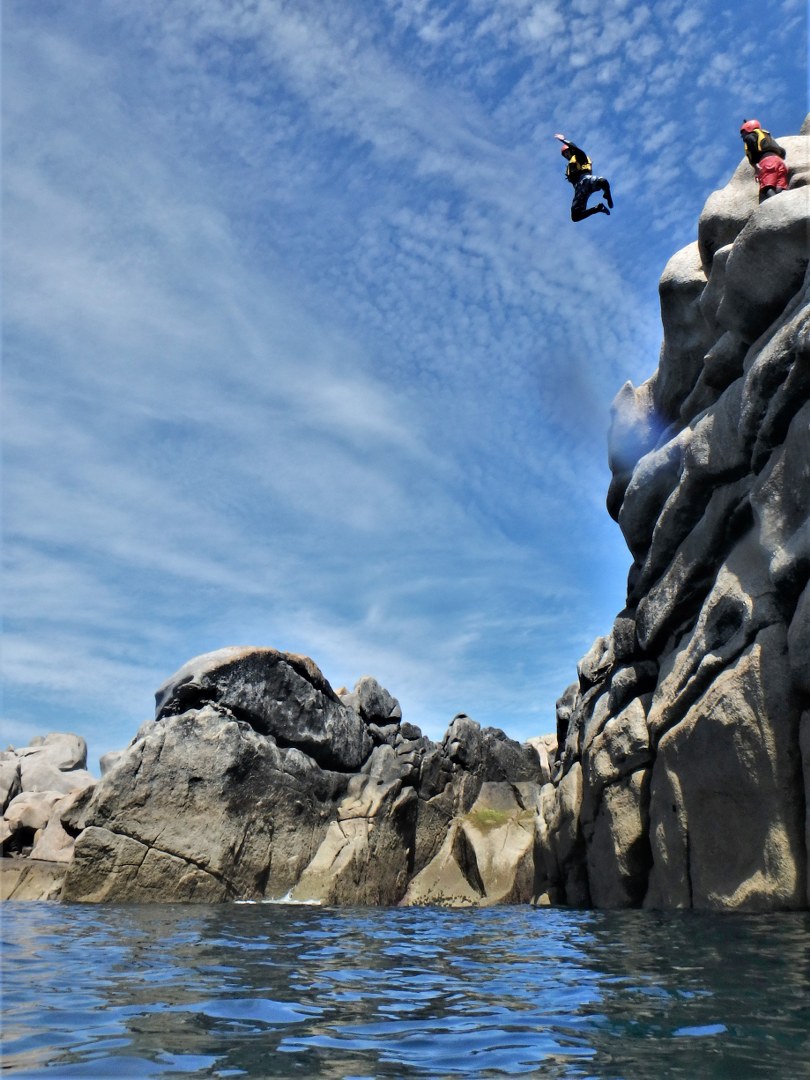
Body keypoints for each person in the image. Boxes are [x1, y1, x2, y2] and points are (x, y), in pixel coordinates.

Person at [554, 133, 613, 221]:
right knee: (575, 217)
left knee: (603, 181)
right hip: (579, 189)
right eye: (564, 155)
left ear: (571, 151)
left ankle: (607, 195)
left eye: (567, 152)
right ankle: (598, 208)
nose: (566, 155)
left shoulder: (579, 157)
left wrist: (564, 140)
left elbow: (575, 149)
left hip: (585, 179)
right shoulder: (570, 166)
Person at [739, 119, 789, 203]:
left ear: (748, 128)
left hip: (767, 162)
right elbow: (782, 152)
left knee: (767, 187)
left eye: (743, 133)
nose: (742, 136)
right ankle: (784, 201)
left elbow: (752, 145)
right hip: (779, 161)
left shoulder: (750, 136)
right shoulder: (766, 135)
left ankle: (776, 204)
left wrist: (755, 166)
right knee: (780, 186)